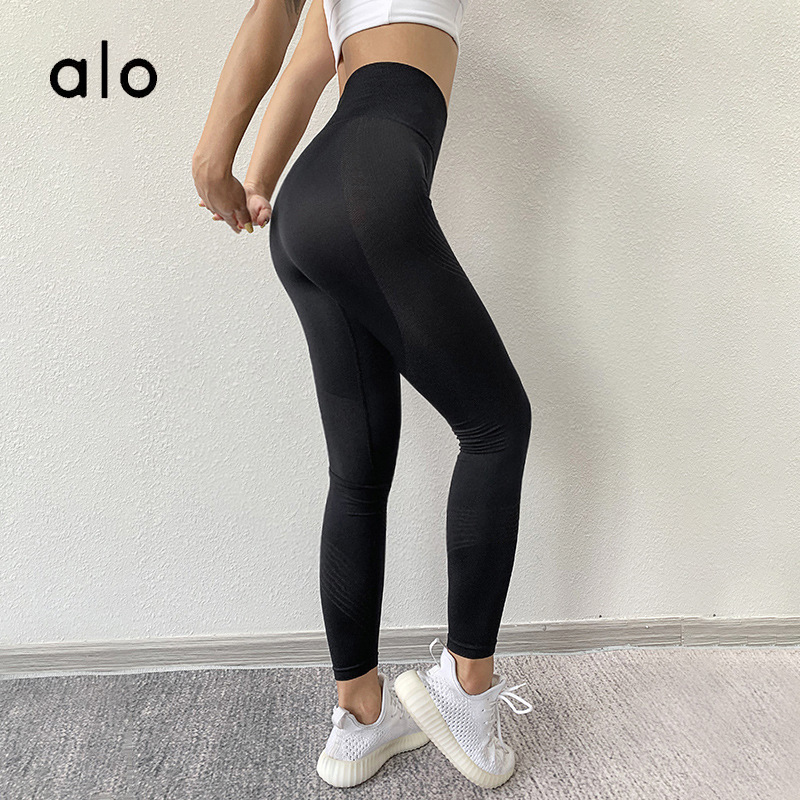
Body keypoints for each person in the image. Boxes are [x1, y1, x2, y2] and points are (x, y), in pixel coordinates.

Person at [192, 0, 534, 788]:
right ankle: (465, 691)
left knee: (359, 472)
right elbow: (275, 9)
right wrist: (213, 156)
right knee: (496, 425)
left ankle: (360, 718)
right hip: (365, 183)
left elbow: (306, 71)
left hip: (307, 207)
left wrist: (257, 185)